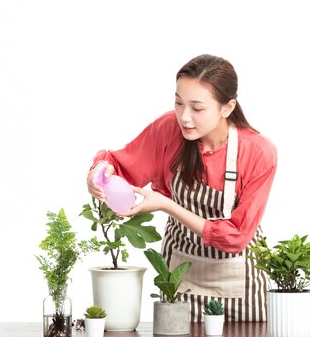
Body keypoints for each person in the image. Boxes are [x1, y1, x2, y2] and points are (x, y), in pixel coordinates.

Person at [86, 54, 277, 322]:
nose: (184, 117)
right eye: (178, 103)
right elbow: (119, 166)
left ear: (227, 107)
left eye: (197, 108)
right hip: (180, 278)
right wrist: (99, 173)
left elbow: (236, 238)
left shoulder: (257, 151)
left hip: (241, 285)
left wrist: (166, 204)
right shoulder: (168, 130)